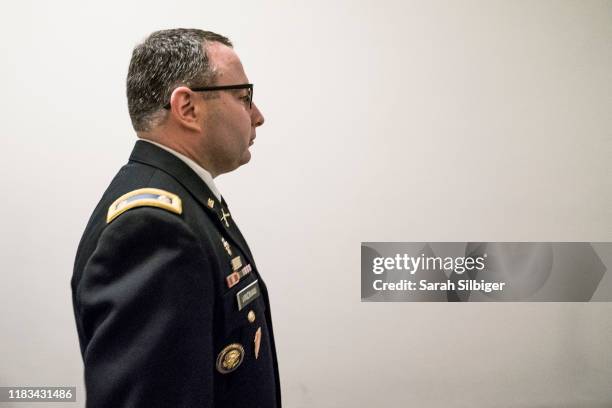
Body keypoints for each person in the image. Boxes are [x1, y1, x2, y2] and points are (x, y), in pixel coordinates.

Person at [71, 28, 281, 408]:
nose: (258, 116)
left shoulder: (187, 203)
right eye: (243, 97)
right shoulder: (154, 228)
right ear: (187, 108)